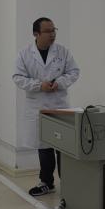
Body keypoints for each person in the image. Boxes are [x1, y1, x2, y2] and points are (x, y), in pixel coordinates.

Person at [13, 17, 80, 197]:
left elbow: (74, 72)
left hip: (59, 105)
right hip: (38, 106)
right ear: (36, 34)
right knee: (44, 146)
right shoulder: (24, 54)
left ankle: (69, 184)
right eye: (48, 31)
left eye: (54, 30)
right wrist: (38, 85)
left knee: (64, 147)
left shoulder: (62, 51)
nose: (52, 34)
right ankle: (46, 182)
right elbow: (18, 77)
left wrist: (60, 82)